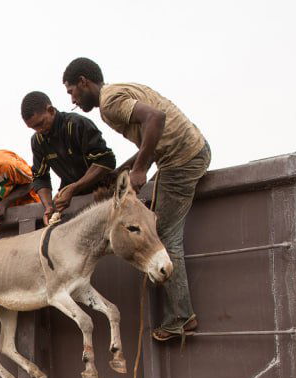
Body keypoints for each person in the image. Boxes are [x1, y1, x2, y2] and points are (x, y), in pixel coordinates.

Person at [62, 57, 210, 341]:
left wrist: (140, 169)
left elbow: (157, 119)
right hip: (194, 149)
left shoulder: (109, 104)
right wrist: (124, 170)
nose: (72, 100)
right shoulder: (119, 91)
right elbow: (151, 140)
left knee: (162, 235)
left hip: (181, 161)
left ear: (84, 82)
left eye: (71, 92)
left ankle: (181, 318)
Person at [21, 91, 115, 223]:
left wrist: (75, 188)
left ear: (51, 110)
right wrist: (48, 206)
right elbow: (40, 177)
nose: (39, 130)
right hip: (70, 200)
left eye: (40, 123)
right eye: (33, 128)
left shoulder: (77, 124)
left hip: (104, 193)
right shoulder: (38, 141)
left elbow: (106, 161)